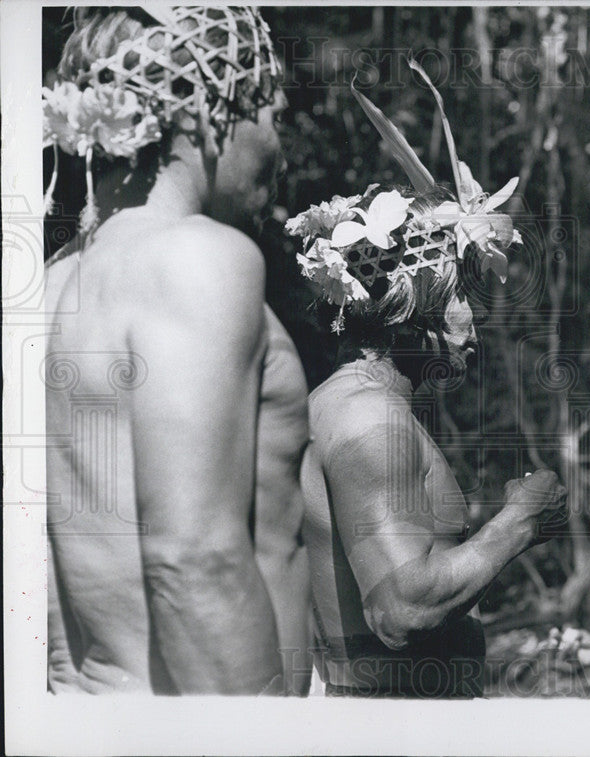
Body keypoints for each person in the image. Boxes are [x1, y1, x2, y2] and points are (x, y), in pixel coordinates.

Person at [44, 7, 310, 695]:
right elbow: (195, 562)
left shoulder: (52, 282)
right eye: (274, 116)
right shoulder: (196, 259)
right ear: (206, 109)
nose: (280, 151)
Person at [290, 62, 569, 697]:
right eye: (462, 295)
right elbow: (400, 609)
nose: (474, 319)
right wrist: (519, 520)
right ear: (420, 306)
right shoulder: (367, 418)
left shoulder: (357, 404)